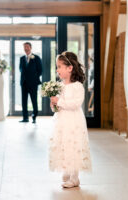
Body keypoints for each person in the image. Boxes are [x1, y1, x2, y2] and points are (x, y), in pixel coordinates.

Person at [49, 51, 92, 188]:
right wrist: (54, 104)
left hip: (73, 121)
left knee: (74, 144)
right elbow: (58, 105)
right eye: (57, 67)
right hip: (62, 120)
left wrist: (59, 101)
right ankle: (67, 169)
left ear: (70, 68)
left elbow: (75, 104)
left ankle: (75, 177)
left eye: (60, 66)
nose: (57, 70)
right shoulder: (60, 85)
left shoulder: (77, 86)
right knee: (64, 144)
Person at [19, 42, 42, 123]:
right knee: (24, 101)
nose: (26, 48)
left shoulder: (36, 58)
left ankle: (34, 116)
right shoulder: (21, 58)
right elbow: (20, 70)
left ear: (30, 47)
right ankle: (25, 118)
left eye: (27, 47)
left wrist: (33, 78)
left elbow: (40, 70)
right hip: (24, 83)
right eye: (24, 47)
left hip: (33, 83)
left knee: (34, 100)